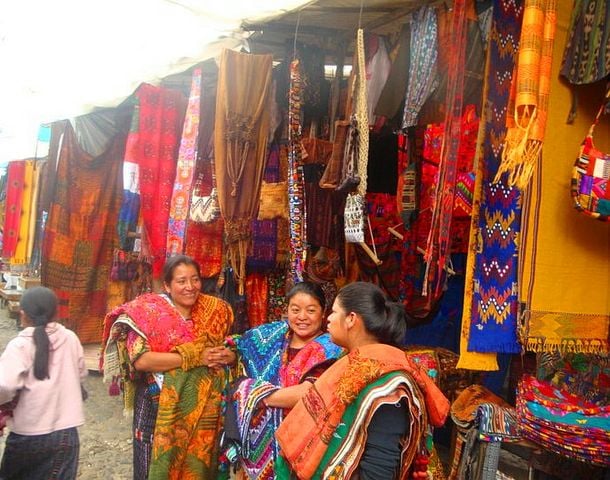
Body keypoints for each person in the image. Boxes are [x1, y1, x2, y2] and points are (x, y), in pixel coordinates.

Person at [276, 281, 450, 480]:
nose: (329, 320)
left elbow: (378, 470)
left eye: (334, 312)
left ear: (351, 319)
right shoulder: (350, 364)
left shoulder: (387, 387)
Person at [101, 254, 234, 479]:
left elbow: (227, 348)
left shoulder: (215, 310)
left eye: (195, 280)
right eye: (181, 281)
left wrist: (227, 355)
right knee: (151, 467)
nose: (190, 287)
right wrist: (195, 358)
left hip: (203, 411)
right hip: (155, 403)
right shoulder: (147, 312)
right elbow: (141, 360)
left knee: (195, 468)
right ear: (167, 285)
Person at [221, 281, 343, 479]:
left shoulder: (330, 348)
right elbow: (241, 345)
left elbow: (309, 392)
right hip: (259, 441)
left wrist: (252, 396)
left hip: (306, 439)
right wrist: (231, 355)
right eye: (295, 310)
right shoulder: (273, 336)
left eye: (311, 310)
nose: (302, 317)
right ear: (286, 311)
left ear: (323, 313)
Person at [0, 286, 87, 480]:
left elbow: (4, 385)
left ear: (22, 314)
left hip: (27, 433)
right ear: (56, 312)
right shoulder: (70, 338)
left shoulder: (19, 345)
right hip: (66, 434)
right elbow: (81, 373)